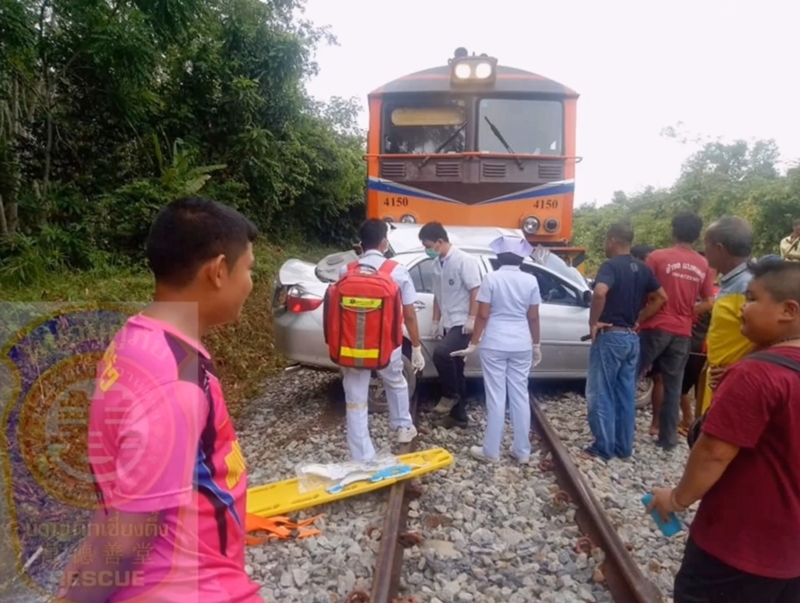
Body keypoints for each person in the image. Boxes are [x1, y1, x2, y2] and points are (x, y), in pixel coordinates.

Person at [57, 197, 263, 603]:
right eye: (249, 269)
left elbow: (122, 475)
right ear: (218, 271)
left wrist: (91, 543)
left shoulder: (136, 341)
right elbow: (128, 542)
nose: (251, 284)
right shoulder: (173, 382)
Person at [647, 259, 800, 603]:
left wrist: (675, 498)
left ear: (788, 310)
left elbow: (713, 452)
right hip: (790, 556)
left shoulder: (757, 375)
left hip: (737, 547)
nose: (742, 308)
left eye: (752, 299)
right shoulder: (764, 372)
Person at [450, 236, 542, 464]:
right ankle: (522, 451)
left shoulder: (491, 278)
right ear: (521, 258)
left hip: (495, 343)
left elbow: (483, 314)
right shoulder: (531, 281)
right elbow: (533, 317)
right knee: (520, 394)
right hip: (521, 343)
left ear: (499, 257)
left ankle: (491, 450)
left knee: (496, 396)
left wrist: (473, 342)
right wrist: (536, 345)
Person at [338, 219, 425, 461]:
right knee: (396, 382)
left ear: (360, 245)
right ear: (384, 243)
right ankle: (402, 428)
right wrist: (416, 347)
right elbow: (408, 314)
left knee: (355, 398)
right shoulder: (397, 271)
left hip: (352, 346)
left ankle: (362, 456)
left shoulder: (346, 271)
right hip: (387, 345)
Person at [585, 222, 667, 460]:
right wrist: (639, 319)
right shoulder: (642, 269)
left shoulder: (610, 266)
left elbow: (599, 292)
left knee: (601, 392)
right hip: (632, 338)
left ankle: (603, 447)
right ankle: (623, 447)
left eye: (605, 241)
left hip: (610, 337)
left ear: (612, 240)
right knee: (624, 394)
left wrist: (593, 322)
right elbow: (662, 297)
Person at [637, 213, 715, 449]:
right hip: (683, 333)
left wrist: (639, 318)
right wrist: (689, 314)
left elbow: (642, 292)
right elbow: (710, 302)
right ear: (697, 235)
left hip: (654, 327)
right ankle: (668, 440)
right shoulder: (703, 265)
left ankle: (618, 434)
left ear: (674, 231)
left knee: (629, 377)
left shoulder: (657, 258)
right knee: (674, 388)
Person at [418, 221, 482, 429]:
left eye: (428, 245)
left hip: (463, 323)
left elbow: (476, 291)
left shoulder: (464, 261)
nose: (427, 250)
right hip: (448, 322)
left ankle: (450, 395)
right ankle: (459, 417)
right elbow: (438, 296)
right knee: (456, 367)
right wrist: (436, 321)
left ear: (439, 241)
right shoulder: (437, 265)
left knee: (441, 354)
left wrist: (472, 319)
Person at [698, 217, 756, 415]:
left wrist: (740, 369)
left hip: (735, 383)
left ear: (719, 248)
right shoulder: (732, 282)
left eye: (706, 244)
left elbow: (778, 337)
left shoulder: (749, 286)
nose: (704, 250)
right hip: (719, 378)